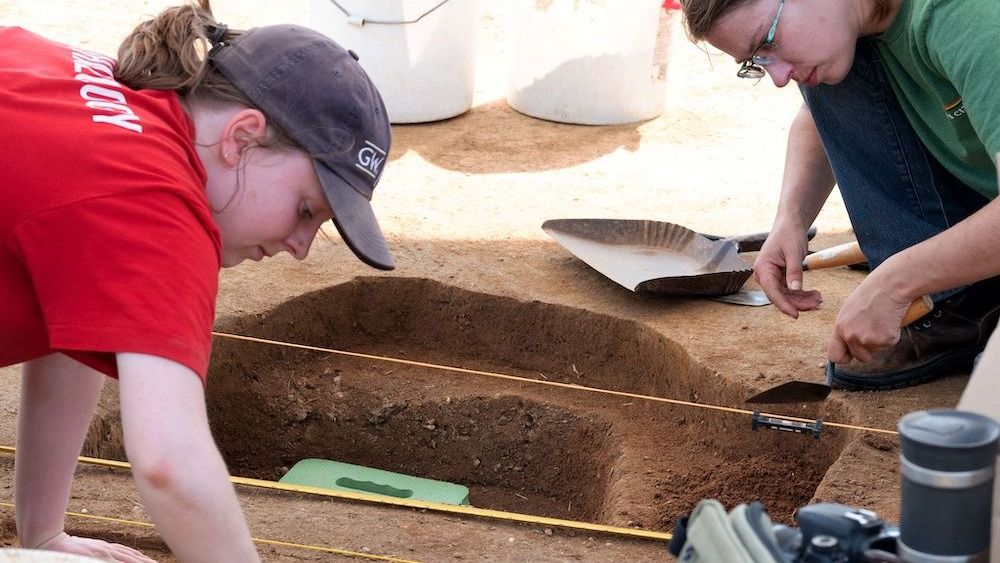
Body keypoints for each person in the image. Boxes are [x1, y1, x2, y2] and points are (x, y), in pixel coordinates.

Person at [0, 1, 394, 560]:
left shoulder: (120, 99)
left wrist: (43, 535)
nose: (300, 248)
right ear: (242, 137)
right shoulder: (157, 203)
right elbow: (170, 463)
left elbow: (76, 313)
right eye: (307, 210)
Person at [678, 0, 1000, 389]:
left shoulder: (965, 15)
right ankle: (957, 301)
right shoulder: (854, 20)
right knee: (828, 70)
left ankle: (957, 294)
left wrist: (897, 281)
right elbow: (821, 117)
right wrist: (791, 220)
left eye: (768, 41)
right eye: (757, 62)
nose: (778, 77)